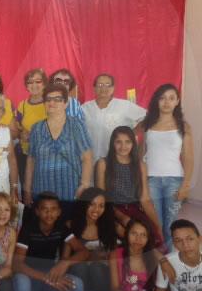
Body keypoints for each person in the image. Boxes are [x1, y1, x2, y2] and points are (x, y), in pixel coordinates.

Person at [24, 84, 93, 221]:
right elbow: (31, 161)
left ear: (66, 103)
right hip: (43, 195)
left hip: (71, 192)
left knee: (70, 234)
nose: (52, 102)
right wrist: (27, 189)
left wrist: (84, 185)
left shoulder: (76, 125)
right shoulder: (37, 128)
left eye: (57, 99)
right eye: (48, 99)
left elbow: (87, 158)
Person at [138, 84, 194, 248]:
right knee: (155, 225)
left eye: (171, 98)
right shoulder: (147, 124)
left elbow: (189, 157)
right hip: (151, 180)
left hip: (175, 181)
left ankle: (170, 260)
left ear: (177, 101)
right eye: (162, 98)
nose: (166, 102)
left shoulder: (184, 126)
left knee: (170, 225)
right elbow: (140, 153)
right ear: (157, 101)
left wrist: (186, 185)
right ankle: (157, 261)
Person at [95, 126, 162, 240]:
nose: (123, 146)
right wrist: (121, 217)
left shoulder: (141, 166)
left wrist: (158, 226)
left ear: (133, 144)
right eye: (118, 142)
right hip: (110, 210)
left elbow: (145, 199)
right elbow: (101, 199)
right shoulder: (103, 163)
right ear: (112, 143)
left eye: (127, 142)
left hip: (133, 210)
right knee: (124, 236)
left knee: (151, 236)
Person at [66, 187, 116, 291]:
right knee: (80, 267)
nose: (96, 210)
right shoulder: (71, 225)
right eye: (92, 204)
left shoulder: (110, 226)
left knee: (96, 267)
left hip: (102, 279)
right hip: (79, 278)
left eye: (101, 206)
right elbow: (65, 258)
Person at [82, 74, 146, 160]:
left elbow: (147, 117)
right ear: (94, 88)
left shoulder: (124, 105)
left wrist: (131, 133)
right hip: (90, 160)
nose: (104, 88)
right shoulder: (85, 108)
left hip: (116, 160)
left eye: (108, 85)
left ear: (113, 88)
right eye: (100, 85)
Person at [15, 68, 47, 191]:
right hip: (25, 155)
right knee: (27, 190)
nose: (34, 85)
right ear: (26, 86)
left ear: (44, 83)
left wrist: (33, 135)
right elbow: (18, 128)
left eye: (38, 81)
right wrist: (21, 134)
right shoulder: (22, 105)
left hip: (45, 156)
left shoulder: (50, 103)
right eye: (30, 82)